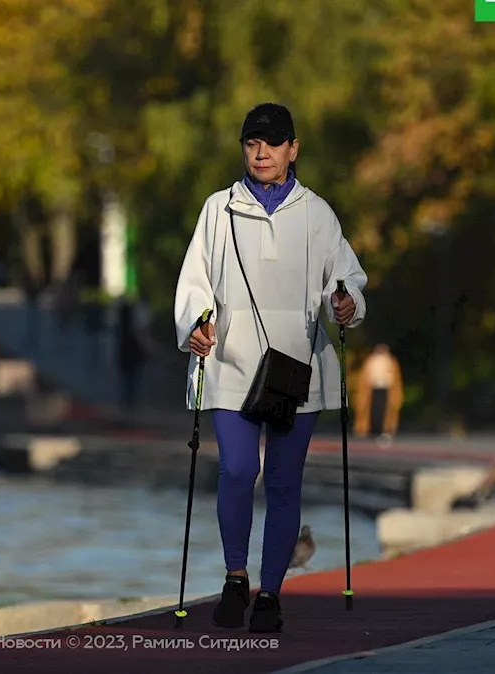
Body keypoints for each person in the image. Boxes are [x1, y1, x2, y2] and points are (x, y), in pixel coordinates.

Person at [174, 102, 368, 633]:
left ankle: (271, 593)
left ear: (293, 149)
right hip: (231, 362)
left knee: (284, 483)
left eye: (273, 142)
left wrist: (346, 305)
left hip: (296, 366)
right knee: (238, 470)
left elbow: (346, 280)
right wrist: (194, 321)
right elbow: (194, 282)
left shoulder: (317, 213)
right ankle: (236, 577)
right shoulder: (219, 209)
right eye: (252, 143)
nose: (261, 152)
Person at [354, 344, 403, 446]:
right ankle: (371, 431)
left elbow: (395, 377)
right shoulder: (371, 360)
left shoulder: (390, 361)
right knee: (372, 411)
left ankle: (384, 431)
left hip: (385, 389)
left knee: (385, 412)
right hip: (372, 389)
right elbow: (365, 376)